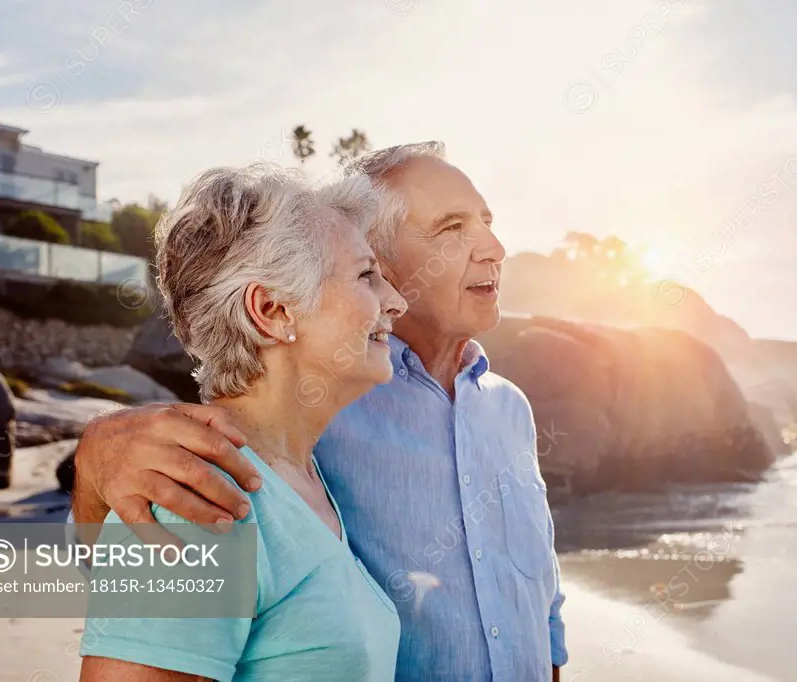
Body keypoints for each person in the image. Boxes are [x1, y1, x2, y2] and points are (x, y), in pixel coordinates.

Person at [71, 143, 568, 681]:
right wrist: (95, 461)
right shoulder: (221, 479)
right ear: (274, 311)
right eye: (450, 227)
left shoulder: (506, 411)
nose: (494, 247)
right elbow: (141, 568)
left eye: (487, 222)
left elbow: (544, 610)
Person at [78, 164, 406, 681]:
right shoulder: (195, 500)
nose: (396, 301)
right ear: (273, 310)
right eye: (367, 275)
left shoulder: (303, 479)